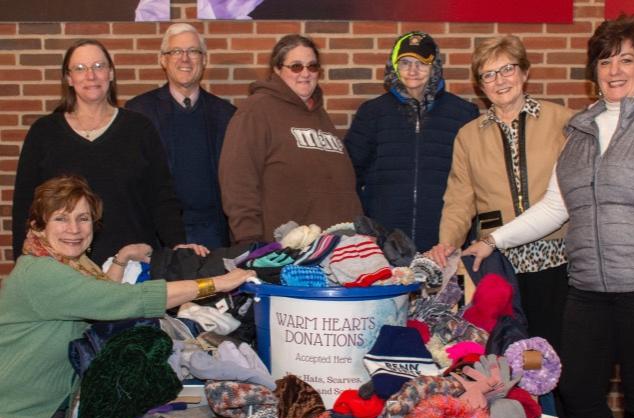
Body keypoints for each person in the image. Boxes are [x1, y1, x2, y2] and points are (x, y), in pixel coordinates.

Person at [464, 15, 634, 418]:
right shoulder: (582, 127)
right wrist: (494, 240)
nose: (614, 69)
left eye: (626, 58)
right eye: (605, 60)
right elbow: (556, 207)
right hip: (585, 287)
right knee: (578, 391)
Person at [0, 175, 254, 418]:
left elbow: (103, 296)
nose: (73, 229)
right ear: (38, 225)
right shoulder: (41, 273)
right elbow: (124, 301)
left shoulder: (75, 264)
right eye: (61, 218)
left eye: (83, 217)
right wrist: (216, 283)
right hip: (9, 411)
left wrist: (121, 259)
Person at [429, 35, 572, 353]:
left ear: (524, 72)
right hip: (498, 266)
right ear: (481, 85)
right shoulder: (468, 136)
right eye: (488, 74)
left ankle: (554, 405)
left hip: (556, 262)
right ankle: (529, 405)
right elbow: (459, 199)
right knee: (513, 351)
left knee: (555, 351)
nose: (499, 80)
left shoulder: (562, 121)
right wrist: (447, 242)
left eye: (507, 69)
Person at [12, 39, 193, 266]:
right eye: (80, 68)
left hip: (132, 266)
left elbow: (162, 197)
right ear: (69, 78)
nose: (91, 76)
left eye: (99, 67)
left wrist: (177, 245)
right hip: (63, 268)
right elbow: (24, 207)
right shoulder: (44, 133)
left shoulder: (139, 128)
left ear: (111, 73)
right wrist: (24, 264)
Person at [219, 34, 363, 245]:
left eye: (312, 67)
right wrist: (249, 241)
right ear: (277, 70)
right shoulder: (256, 110)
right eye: (296, 66)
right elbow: (238, 180)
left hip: (336, 251)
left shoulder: (321, 116)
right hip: (283, 252)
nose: (305, 73)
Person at [344, 31, 478, 253]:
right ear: (394, 66)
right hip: (383, 245)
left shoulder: (463, 114)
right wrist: (362, 229)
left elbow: (475, 182)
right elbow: (349, 176)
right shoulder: (372, 113)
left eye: (422, 63)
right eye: (405, 62)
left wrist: (469, 236)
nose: (413, 71)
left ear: (434, 67)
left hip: (444, 244)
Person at [127, 24, 236, 248]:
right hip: (156, 236)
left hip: (214, 235)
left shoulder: (227, 115)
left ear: (204, 60)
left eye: (193, 51)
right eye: (176, 51)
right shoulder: (138, 112)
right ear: (163, 60)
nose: (185, 59)